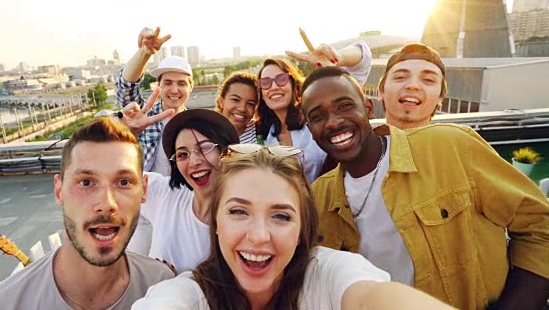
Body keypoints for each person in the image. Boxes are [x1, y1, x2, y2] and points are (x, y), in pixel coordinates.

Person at [299, 66, 549, 309]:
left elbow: (539, 225)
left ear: (367, 108)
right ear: (310, 130)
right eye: (318, 116)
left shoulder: (449, 147)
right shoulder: (318, 198)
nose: (333, 122)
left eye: (344, 106)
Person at [132, 146, 455, 310]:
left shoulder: (327, 276)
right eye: (238, 211)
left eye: (281, 216)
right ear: (215, 223)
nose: (259, 236)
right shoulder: (188, 297)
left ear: (304, 229)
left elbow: (372, 296)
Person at [0, 118, 174, 310]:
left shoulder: (163, 286)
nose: (107, 203)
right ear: (59, 190)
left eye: (124, 182)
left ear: (144, 190)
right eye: (86, 182)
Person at [123, 108, 240, 273]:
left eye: (204, 148)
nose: (194, 162)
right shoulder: (166, 194)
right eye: (182, 154)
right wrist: (122, 134)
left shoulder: (241, 219)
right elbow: (108, 173)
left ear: (225, 151)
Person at [256, 29, 372, 182]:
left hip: (333, 201)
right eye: (265, 82)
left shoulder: (317, 115)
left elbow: (363, 61)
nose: (274, 86)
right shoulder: (264, 133)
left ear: (293, 83)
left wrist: (336, 59)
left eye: (281, 79)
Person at [317, 42, 448, 175]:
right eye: (400, 77)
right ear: (381, 91)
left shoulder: (454, 154)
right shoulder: (348, 151)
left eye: (428, 80)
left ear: (440, 98)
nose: (413, 85)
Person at [116, 26, 188, 175]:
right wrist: (144, 53)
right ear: (158, 86)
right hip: (146, 196)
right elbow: (125, 88)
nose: (174, 90)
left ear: (191, 87)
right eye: (168, 83)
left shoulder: (196, 123)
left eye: (181, 83)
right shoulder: (143, 116)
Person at [215, 72, 259, 143]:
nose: (242, 109)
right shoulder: (205, 136)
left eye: (250, 104)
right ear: (221, 102)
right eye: (235, 100)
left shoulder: (262, 131)